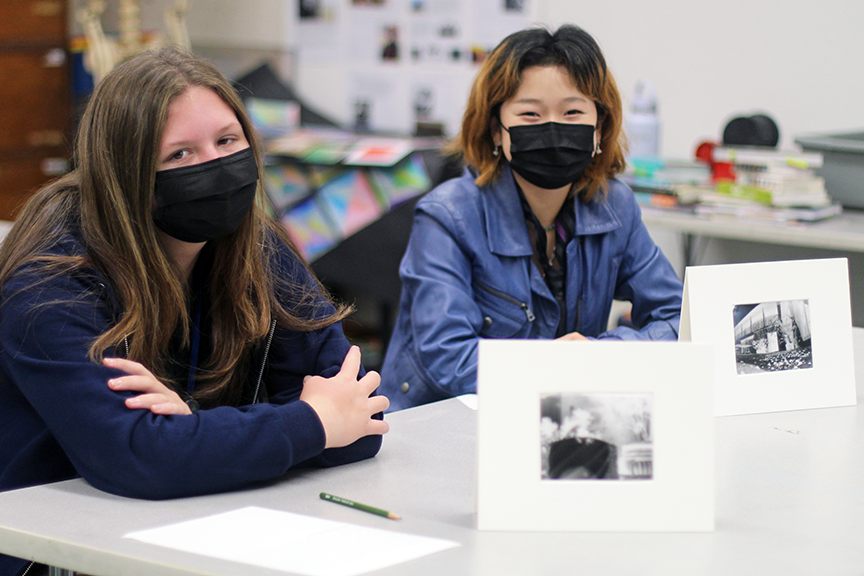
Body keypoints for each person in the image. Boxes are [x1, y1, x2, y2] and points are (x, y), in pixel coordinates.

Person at [0, 47, 388, 576]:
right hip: (53, 549)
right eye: (180, 154)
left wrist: (198, 429)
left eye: (227, 141)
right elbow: (139, 459)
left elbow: (362, 419)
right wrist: (309, 422)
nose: (215, 166)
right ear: (125, 175)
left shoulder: (255, 247)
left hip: (189, 524)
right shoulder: (50, 284)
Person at [380, 25, 683, 411]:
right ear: (496, 129)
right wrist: (558, 362)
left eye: (573, 112)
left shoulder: (614, 206)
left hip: (557, 419)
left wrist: (601, 351)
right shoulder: (447, 216)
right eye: (530, 113)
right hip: (443, 425)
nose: (553, 128)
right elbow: (449, 358)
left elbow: (679, 319)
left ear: (599, 129)